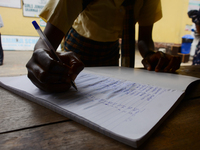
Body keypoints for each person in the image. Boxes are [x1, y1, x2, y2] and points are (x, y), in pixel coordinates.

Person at [26, 0, 181, 93]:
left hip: (111, 53)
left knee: (108, 92)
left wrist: (149, 54)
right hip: (77, 49)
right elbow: (47, 41)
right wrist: (42, 54)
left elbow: (144, 39)